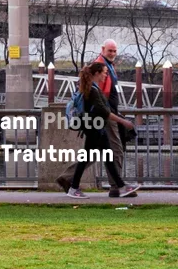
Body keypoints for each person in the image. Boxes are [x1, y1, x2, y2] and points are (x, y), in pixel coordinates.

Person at [57, 39, 132, 197]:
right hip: (100, 121)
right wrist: (120, 119)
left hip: (97, 122)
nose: (112, 53)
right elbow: (100, 105)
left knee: (97, 154)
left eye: (114, 51)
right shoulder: (99, 70)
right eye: (110, 50)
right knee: (114, 151)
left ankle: (71, 181)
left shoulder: (106, 67)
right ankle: (117, 187)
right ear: (103, 49)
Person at [65, 62, 138, 199]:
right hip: (94, 128)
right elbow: (104, 112)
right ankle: (74, 187)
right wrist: (124, 122)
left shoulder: (91, 87)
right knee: (91, 157)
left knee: (104, 157)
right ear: (97, 73)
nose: (106, 74)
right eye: (104, 72)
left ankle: (121, 186)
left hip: (94, 127)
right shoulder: (93, 90)